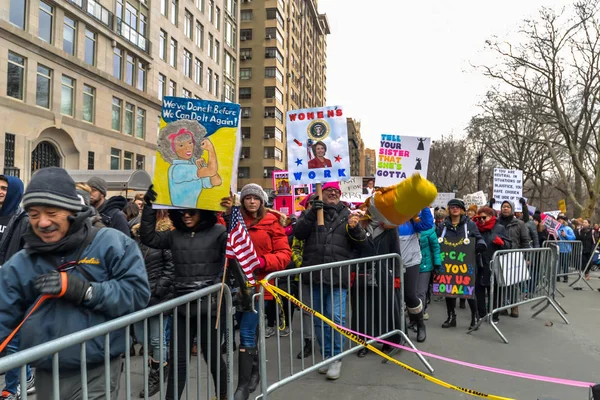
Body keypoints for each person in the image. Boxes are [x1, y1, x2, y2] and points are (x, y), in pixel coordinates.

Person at [0, 167, 150, 400]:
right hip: (46, 370)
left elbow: (137, 295)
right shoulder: (22, 262)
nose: (42, 222)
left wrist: (85, 290)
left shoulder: (112, 243)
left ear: (71, 209)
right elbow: (3, 313)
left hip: (96, 369)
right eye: (33, 214)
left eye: (51, 212)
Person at [141, 186, 229, 400]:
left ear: (204, 212)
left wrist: (231, 213)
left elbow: (236, 244)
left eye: (192, 212)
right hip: (182, 305)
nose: (186, 216)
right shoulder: (174, 235)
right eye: (182, 212)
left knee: (213, 357)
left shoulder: (219, 232)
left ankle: (224, 396)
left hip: (209, 305)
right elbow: (148, 237)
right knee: (178, 361)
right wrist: (150, 207)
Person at [221, 183, 291, 400]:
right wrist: (224, 211)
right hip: (233, 285)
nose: (252, 201)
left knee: (247, 331)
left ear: (262, 201)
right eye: (248, 198)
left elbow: (284, 254)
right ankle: (254, 370)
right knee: (243, 328)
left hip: (258, 286)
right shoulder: (233, 220)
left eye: (256, 198)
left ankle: (242, 386)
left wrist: (261, 262)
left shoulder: (272, 223)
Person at [294, 181, 370, 380]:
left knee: (336, 318)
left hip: (338, 277)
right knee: (320, 319)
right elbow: (298, 233)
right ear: (322, 193)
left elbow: (363, 245)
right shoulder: (311, 213)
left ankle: (337, 358)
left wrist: (355, 229)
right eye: (329, 191)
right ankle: (326, 356)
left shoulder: (348, 215)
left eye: (336, 191)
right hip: (316, 275)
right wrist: (311, 213)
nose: (333, 194)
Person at [131, 210, 175, 397]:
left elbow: (171, 266)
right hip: (140, 295)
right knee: (142, 338)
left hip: (158, 295)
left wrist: (159, 290)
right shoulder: (137, 235)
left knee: (157, 339)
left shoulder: (167, 236)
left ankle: (157, 374)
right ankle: (161, 364)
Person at [0, 175, 36, 400]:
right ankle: (27, 374)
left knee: (12, 338)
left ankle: (11, 388)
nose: (0, 191)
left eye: (4, 188)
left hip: (13, 288)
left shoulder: (22, 219)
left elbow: (29, 255)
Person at [436, 199, 486, 330]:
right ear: (448, 209)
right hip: (448, 264)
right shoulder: (443, 226)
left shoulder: (470, 225)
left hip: (466, 263)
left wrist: (481, 244)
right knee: (448, 289)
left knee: (469, 290)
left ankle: (474, 317)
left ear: (462, 209)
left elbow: (478, 237)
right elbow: (436, 242)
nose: (455, 208)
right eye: (452, 206)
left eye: (458, 206)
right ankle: (451, 317)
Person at [398, 207, 433, 343]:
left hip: (411, 262)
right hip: (393, 262)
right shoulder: (389, 218)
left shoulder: (411, 218)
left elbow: (427, 224)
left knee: (410, 295)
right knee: (395, 297)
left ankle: (420, 324)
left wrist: (423, 205)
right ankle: (399, 331)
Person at [165, 126, 222, 208]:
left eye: (190, 143)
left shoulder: (193, 164)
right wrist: (211, 149)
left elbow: (217, 182)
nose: (187, 148)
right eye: (181, 145)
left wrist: (206, 170)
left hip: (194, 212)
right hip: (179, 213)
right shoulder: (177, 169)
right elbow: (211, 171)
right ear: (173, 150)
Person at [474, 206, 511, 324]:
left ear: (491, 217)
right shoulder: (476, 228)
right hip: (479, 264)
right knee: (479, 290)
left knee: (494, 291)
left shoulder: (499, 228)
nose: (481, 220)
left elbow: (509, 245)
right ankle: (481, 314)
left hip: (494, 265)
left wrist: (502, 243)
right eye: (479, 218)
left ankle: (494, 315)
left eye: (484, 217)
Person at [493, 199, 530, 317]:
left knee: (513, 284)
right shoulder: (496, 222)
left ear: (512, 209)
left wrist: (527, 257)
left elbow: (525, 241)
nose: (505, 208)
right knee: (500, 282)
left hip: (514, 256)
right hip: (499, 255)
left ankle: (514, 306)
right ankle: (502, 305)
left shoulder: (519, 223)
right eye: (503, 206)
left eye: (508, 207)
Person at [418, 219, 441, 322]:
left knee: (421, 292)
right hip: (409, 264)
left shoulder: (429, 229)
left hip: (425, 265)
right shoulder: (406, 227)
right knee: (410, 293)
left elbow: (436, 247)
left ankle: (419, 316)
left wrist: (437, 263)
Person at [556, 215, 576, 283]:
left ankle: (565, 277)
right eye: (558, 220)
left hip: (566, 249)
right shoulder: (556, 229)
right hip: (558, 249)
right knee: (558, 264)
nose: (559, 221)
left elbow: (573, 238)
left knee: (565, 264)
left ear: (563, 221)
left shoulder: (568, 228)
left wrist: (566, 235)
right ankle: (557, 276)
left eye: (561, 220)